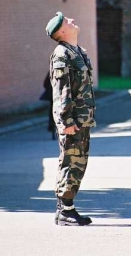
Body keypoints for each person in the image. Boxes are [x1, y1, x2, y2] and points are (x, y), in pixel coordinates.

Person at [46, 12, 96, 226]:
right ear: (62, 31)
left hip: (82, 118)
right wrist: (66, 121)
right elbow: (61, 90)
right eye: (67, 21)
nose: (72, 20)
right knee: (70, 161)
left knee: (79, 162)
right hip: (72, 120)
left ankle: (65, 209)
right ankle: (65, 210)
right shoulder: (61, 54)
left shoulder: (79, 52)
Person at [39, 72, 56, 140]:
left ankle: (51, 125)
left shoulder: (51, 72)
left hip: (52, 95)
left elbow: (45, 84)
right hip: (61, 95)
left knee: (52, 110)